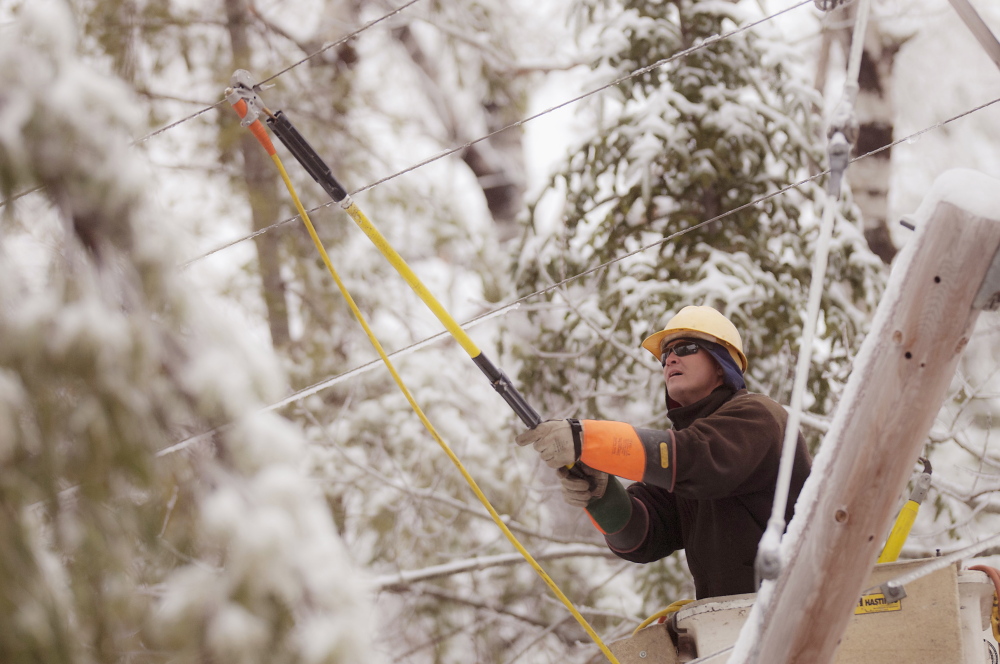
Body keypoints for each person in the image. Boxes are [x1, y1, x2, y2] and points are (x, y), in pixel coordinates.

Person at [516, 306, 811, 599]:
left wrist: (585, 439)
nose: (670, 358)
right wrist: (602, 497)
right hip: (733, 624)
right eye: (665, 355)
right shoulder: (685, 467)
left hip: (798, 608)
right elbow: (643, 536)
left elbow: (695, 458)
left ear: (722, 363)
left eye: (686, 347)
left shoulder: (758, 416)